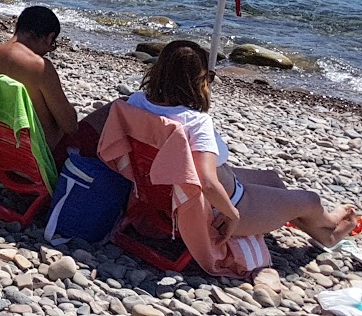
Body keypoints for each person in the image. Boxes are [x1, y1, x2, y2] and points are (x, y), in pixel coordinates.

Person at [125, 40, 359, 245]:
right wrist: (232, 213)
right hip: (225, 206)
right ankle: (330, 228)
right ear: (198, 80)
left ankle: (315, 226)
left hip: (170, 191)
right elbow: (206, 182)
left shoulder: (135, 103)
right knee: (310, 199)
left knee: (274, 180)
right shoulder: (195, 122)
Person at [0, 5, 81, 155]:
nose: (49, 50)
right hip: (37, 158)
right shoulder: (39, 67)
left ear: (17, 27)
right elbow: (70, 127)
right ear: (49, 38)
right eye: (52, 45)